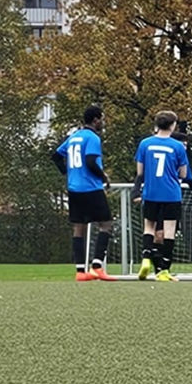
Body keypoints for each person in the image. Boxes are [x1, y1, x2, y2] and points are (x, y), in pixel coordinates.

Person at [52, 105, 116, 281]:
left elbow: (55, 156)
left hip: (74, 188)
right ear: (95, 120)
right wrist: (104, 177)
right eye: (101, 119)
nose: (102, 122)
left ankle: (80, 271)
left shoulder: (74, 137)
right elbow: (90, 161)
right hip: (91, 187)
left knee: (79, 227)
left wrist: (67, 172)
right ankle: (97, 266)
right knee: (106, 224)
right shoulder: (92, 137)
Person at [132, 110, 188, 282]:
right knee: (169, 231)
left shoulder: (145, 144)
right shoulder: (178, 146)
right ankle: (164, 270)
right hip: (171, 193)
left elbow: (140, 172)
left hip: (151, 192)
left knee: (149, 227)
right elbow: (183, 174)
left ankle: (146, 258)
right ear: (173, 125)